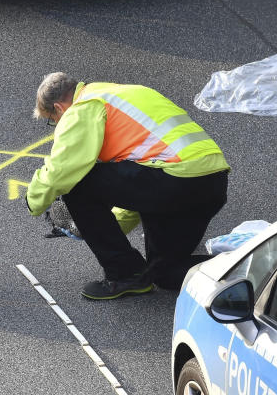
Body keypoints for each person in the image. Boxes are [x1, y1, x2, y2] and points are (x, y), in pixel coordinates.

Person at [26, 73, 230, 300]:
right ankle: (250, 264)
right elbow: (137, 188)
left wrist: (33, 201)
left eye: (52, 119)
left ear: (58, 107)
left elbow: (60, 171)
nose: (56, 125)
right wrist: (99, 227)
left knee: (77, 183)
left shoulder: (84, 106)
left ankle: (124, 274)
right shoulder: (126, 93)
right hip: (210, 183)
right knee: (166, 274)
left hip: (175, 182)